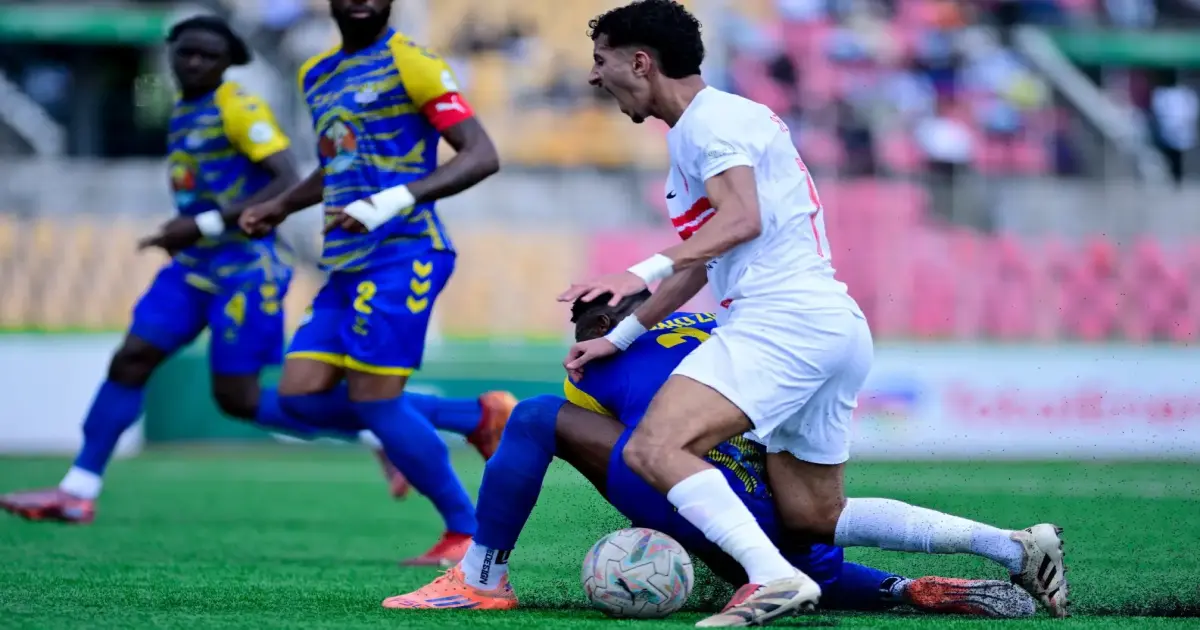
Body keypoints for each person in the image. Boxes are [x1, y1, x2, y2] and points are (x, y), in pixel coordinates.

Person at [561, 1, 1067, 625]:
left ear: (640, 62)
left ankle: (772, 579)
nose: (595, 75)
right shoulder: (713, 126)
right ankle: (1015, 548)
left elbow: (743, 219)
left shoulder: (708, 123)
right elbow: (707, 257)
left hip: (782, 321)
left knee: (654, 447)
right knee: (812, 515)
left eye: (601, 60)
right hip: (828, 325)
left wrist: (637, 273)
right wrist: (623, 333)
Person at [382, 291, 1036, 620]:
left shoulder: (592, 364)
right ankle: (905, 587)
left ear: (602, 327)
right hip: (783, 504)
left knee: (534, 419)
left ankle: (480, 579)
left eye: (581, 325)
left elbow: (611, 437)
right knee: (798, 559)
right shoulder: (721, 328)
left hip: (696, 491)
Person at [0, 16, 311, 523]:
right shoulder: (185, 108)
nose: (195, 62)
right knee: (132, 358)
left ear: (227, 63)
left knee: (240, 399)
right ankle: (77, 490)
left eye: (208, 56)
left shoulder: (238, 106)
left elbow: (287, 180)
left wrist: (200, 224)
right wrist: (190, 232)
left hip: (246, 270)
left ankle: (380, 426)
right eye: (186, 52)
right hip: (194, 265)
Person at [237, 0, 502, 566]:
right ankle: (473, 417)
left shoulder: (413, 62)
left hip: (406, 252)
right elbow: (339, 161)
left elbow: (482, 154)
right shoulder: (318, 73)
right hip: (346, 262)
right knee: (299, 396)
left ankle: (466, 534)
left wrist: (391, 201)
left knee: (375, 401)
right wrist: (281, 205)